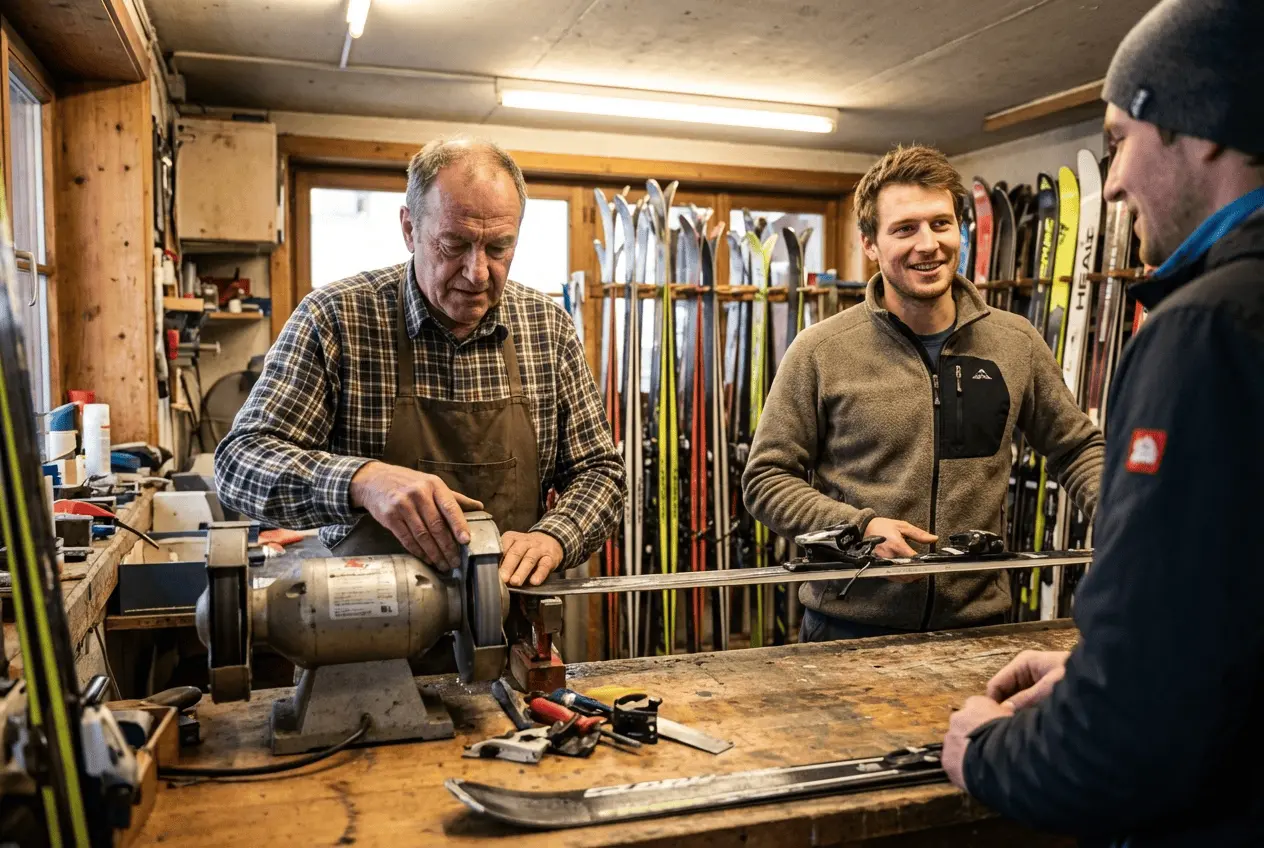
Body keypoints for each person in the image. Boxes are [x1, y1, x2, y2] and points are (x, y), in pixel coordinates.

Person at [943, 1, 1264, 842]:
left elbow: (1136, 732)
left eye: (1122, 137)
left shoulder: (1207, 326)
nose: (1113, 179)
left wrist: (988, 753)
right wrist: (1101, 665)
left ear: (1203, 126)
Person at [215, 136, 624, 588]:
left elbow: (599, 473)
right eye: (454, 244)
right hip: (366, 621)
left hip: (507, 617)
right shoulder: (336, 318)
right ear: (410, 228)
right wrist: (362, 481)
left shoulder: (549, 329)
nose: (478, 272)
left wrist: (555, 537)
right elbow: (240, 463)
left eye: (498, 248)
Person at [743, 144, 1104, 641]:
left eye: (940, 223)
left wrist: (1116, 511)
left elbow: (1076, 446)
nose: (928, 244)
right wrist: (860, 529)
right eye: (905, 228)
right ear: (870, 243)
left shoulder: (1015, 342)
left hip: (981, 628)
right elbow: (766, 479)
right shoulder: (821, 351)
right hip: (848, 628)